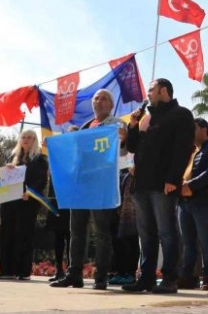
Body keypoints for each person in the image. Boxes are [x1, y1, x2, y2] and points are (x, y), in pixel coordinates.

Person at [50, 89, 128, 290]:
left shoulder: (116, 124)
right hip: (81, 185)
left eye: (104, 99)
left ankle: (101, 277)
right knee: (76, 231)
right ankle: (74, 275)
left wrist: (122, 138)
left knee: (101, 231)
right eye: (96, 98)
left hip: (101, 184)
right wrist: (57, 146)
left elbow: (122, 150)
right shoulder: (84, 127)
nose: (99, 101)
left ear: (111, 105)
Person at [124, 78, 195, 294]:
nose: (148, 95)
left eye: (151, 90)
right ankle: (146, 278)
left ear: (164, 90)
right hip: (142, 184)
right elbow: (134, 147)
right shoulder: (148, 117)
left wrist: (173, 179)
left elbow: (183, 149)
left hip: (163, 185)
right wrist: (133, 127)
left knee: (167, 232)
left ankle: (170, 278)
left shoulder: (181, 114)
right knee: (146, 234)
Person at [179, 118, 208, 291]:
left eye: (194, 128)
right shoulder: (191, 150)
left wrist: (190, 185)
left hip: (203, 202)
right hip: (185, 203)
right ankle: (188, 277)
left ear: (204, 129)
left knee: (206, 241)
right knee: (189, 243)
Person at [0, 129, 48, 281]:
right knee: (7, 234)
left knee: (24, 235)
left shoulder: (40, 159)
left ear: (34, 140)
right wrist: (7, 169)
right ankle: (7, 271)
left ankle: (23, 271)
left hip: (27, 202)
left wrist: (29, 193)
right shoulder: (12, 156)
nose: (26, 139)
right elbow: (4, 177)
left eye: (30, 137)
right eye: (24, 137)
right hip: (10, 202)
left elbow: (41, 182)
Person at [45, 126, 77, 283]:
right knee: (58, 235)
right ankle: (59, 269)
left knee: (73, 235)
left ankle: (73, 268)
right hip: (57, 199)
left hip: (75, 199)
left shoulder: (81, 154)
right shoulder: (58, 154)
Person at [108, 166, 139, 286]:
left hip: (130, 184)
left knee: (129, 232)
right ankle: (120, 271)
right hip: (116, 183)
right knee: (115, 232)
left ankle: (130, 273)